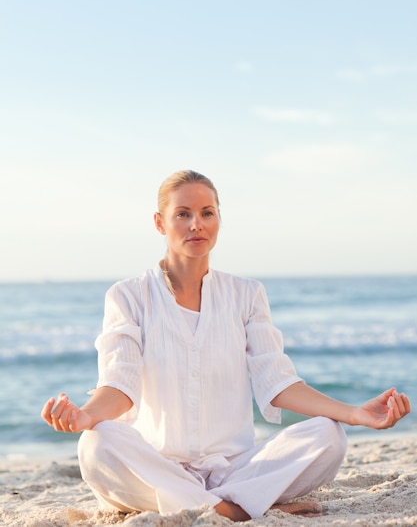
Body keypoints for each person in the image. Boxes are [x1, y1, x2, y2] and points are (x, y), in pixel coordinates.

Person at [41, 170, 411, 521]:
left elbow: (277, 381)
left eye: (207, 213)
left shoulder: (246, 294)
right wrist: (86, 416)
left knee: (328, 435)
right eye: (182, 214)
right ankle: (236, 510)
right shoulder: (128, 296)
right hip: (158, 467)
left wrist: (354, 413)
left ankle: (211, 503)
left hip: (237, 469)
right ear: (160, 223)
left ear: (219, 219)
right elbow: (120, 382)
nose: (196, 224)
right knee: (96, 444)